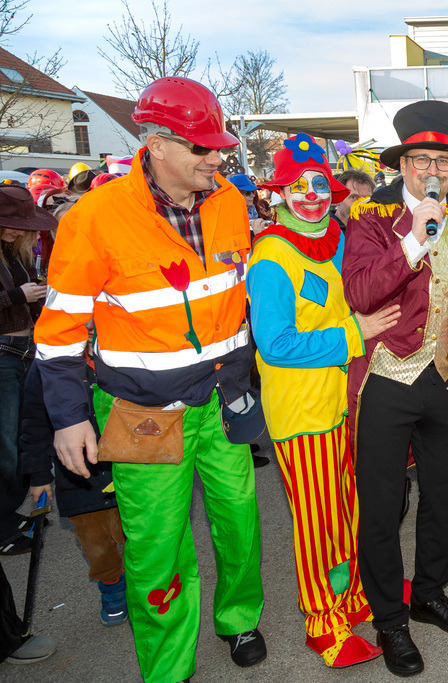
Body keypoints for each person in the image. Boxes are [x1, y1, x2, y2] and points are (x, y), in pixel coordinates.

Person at [33, 77, 266, 682]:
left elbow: (232, 299)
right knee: (157, 548)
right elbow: (57, 332)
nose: (217, 159)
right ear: (156, 143)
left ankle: (239, 617)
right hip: (143, 413)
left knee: (240, 521)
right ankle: (168, 669)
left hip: (225, 401)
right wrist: (68, 417)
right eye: (203, 149)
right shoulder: (94, 218)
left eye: (220, 147)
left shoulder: (230, 202)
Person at [247, 134, 402, 669]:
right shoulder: (271, 256)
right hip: (300, 412)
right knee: (315, 522)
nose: (311, 195)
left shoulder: (332, 239)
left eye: (318, 184)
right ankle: (322, 623)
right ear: (279, 195)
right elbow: (276, 344)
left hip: (339, 403)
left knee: (343, 511)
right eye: (297, 186)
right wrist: (353, 334)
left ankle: (353, 595)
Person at [343, 100, 448, 678]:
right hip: (387, 378)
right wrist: (415, 240)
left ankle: (428, 593)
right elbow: (363, 294)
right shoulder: (369, 220)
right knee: (379, 504)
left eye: (443, 161)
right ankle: (390, 619)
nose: (432, 170)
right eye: (420, 159)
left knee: (442, 495)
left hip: (446, 378)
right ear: (402, 165)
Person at [20, 336, 126, 626]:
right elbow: (33, 421)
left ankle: (140, 581)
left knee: (132, 533)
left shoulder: (116, 348)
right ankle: (111, 583)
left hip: (123, 465)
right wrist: (39, 475)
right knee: (95, 542)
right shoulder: (46, 366)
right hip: (77, 476)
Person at [0, 186, 52, 557]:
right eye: (11, 224)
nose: (19, 231)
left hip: (24, 351)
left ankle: (10, 512)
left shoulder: (12, 254)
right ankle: (2, 524)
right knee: (7, 446)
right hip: (3, 355)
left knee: (22, 436)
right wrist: (19, 296)